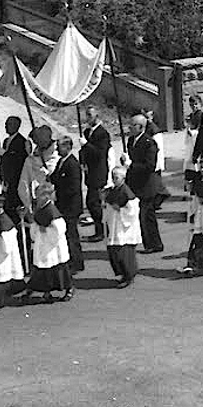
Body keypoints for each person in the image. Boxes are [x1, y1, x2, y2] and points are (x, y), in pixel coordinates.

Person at [24, 183, 74, 303]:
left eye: (39, 195)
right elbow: (36, 223)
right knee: (45, 270)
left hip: (53, 246)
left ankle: (69, 288)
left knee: (60, 269)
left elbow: (60, 228)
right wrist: (35, 229)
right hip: (43, 243)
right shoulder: (39, 209)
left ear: (46, 196)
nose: (36, 197)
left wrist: (46, 229)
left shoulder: (52, 210)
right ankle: (47, 291)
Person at [125, 113, 163, 253]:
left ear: (141, 127)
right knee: (139, 215)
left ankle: (154, 244)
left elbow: (149, 166)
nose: (129, 128)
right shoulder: (131, 140)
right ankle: (149, 243)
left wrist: (132, 165)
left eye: (132, 125)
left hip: (146, 185)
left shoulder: (149, 143)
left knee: (147, 216)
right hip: (135, 182)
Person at [51, 136, 85, 272]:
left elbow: (73, 187)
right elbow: (55, 177)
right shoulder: (61, 161)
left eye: (59, 147)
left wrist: (58, 194)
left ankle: (76, 262)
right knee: (66, 235)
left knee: (71, 235)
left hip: (70, 206)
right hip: (63, 205)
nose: (57, 149)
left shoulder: (72, 164)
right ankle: (71, 260)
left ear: (68, 147)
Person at [104, 165, 141, 288]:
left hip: (124, 229)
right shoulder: (114, 190)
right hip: (116, 225)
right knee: (115, 252)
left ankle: (129, 276)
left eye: (116, 177)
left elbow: (133, 210)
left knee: (124, 253)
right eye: (113, 177)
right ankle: (123, 274)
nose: (114, 180)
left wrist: (120, 209)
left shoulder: (127, 192)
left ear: (123, 178)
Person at [80, 105, 112, 242]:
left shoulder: (102, 134)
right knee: (92, 203)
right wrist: (82, 161)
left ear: (97, 116)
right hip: (90, 172)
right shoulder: (87, 132)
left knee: (93, 202)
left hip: (99, 173)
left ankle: (101, 231)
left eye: (90, 115)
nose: (87, 118)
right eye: (87, 115)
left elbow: (100, 153)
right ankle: (101, 229)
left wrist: (86, 144)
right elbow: (83, 151)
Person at [17, 125, 60, 215]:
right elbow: (23, 184)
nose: (39, 143)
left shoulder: (58, 154)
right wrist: (28, 206)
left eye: (42, 140)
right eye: (37, 141)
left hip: (56, 200)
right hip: (38, 201)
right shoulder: (31, 160)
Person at [0, 116, 32, 214]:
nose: (6, 126)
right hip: (6, 179)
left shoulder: (21, 142)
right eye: (6, 124)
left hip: (16, 179)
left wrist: (5, 154)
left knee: (14, 204)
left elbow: (18, 161)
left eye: (9, 124)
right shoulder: (6, 141)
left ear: (16, 126)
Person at [141, 107, 170, 210]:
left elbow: (158, 148)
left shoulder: (154, 130)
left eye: (147, 116)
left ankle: (160, 197)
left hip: (154, 160)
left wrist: (157, 162)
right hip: (149, 160)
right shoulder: (145, 127)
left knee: (155, 183)